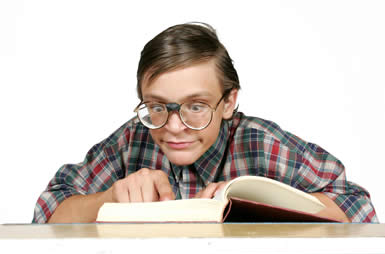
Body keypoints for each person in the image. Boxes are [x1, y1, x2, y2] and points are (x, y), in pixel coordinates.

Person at [33, 22, 378, 223]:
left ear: (228, 102)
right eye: (156, 106)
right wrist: (106, 199)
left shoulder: (264, 142)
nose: (173, 126)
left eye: (196, 106)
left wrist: (271, 204)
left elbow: (360, 210)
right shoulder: (131, 140)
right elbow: (47, 213)